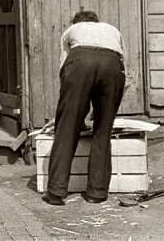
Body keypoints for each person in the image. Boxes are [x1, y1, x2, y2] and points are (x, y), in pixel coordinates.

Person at [43, 10, 126, 206]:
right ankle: (96, 192)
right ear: (96, 21)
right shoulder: (113, 31)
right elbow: (123, 67)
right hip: (112, 66)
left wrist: (73, 116)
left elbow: (64, 70)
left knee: (66, 128)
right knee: (103, 129)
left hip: (80, 62)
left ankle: (56, 191)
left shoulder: (70, 31)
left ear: (77, 22)